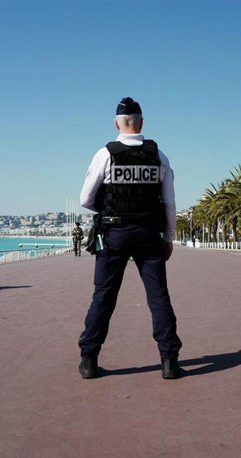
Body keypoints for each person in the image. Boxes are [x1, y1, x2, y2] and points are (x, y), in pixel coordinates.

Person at [77, 97, 182, 379]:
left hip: (114, 234)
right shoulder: (159, 156)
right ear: (142, 123)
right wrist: (168, 238)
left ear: (117, 124)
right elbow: (170, 203)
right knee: (158, 296)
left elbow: (85, 199)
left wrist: (112, 208)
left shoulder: (105, 154)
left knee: (104, 295)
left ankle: (89, 359)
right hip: (149, 234)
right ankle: (169, 361)